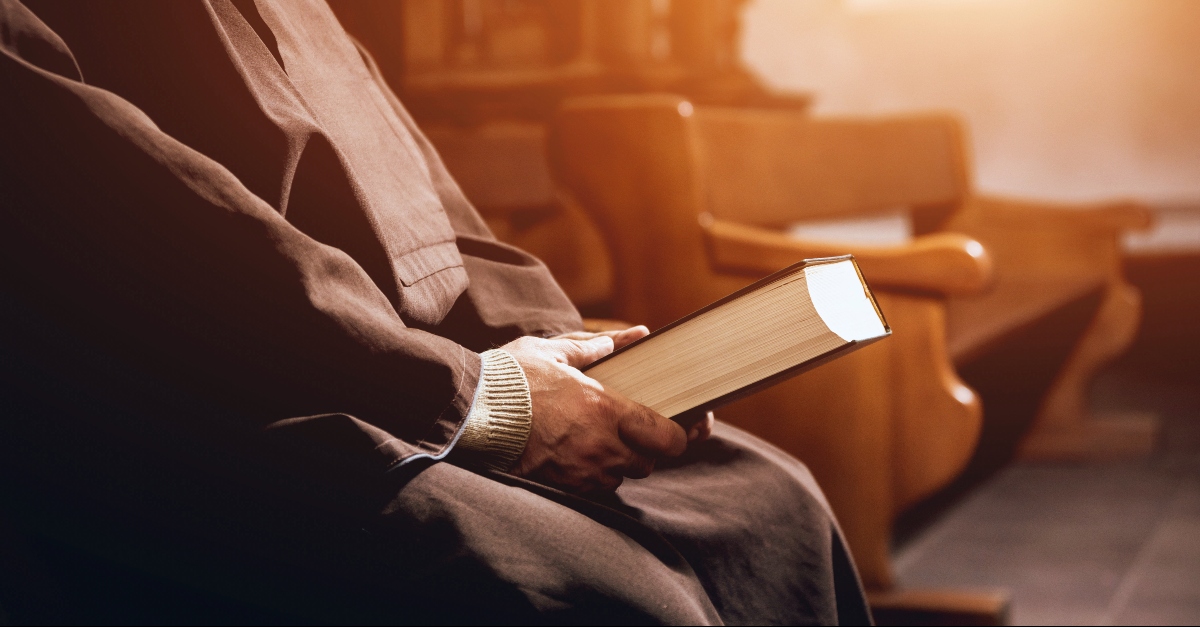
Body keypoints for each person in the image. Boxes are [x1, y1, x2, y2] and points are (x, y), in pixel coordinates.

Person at [0, 0, 872, 623]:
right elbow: (140, 232)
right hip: (194, 407)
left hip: (392, 369)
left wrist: (578, 374)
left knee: (770, 497)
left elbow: (417, 207)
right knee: (604, 593)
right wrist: (482, 397)